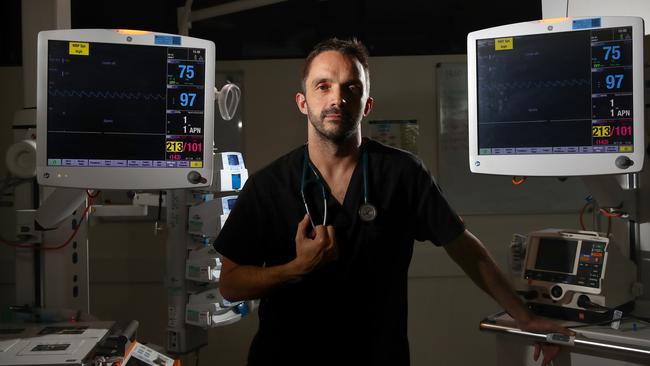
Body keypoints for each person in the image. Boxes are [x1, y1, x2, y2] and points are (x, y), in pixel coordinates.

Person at [214, 37, 574, 366]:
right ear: (303, 101)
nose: (336, 98)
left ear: (366, 104)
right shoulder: (269, 185)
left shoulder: (402, 174)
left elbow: (464, 248)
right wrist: (294, 269)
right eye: (323, 86)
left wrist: (524, 316)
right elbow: (230, 283)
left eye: (350, 88)